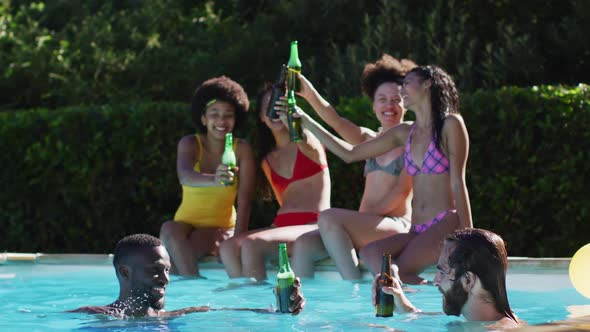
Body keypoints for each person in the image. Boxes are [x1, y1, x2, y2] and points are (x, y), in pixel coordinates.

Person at [279, 65, 472, 284]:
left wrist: (470, 237)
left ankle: (424, 307)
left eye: (407, 84)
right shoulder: (404, 133)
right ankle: (415, 299)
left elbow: (458, 183)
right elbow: (349, 153)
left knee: (395, 270)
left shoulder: (451, 124)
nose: (402, 92)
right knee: (370, 256)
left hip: (445, 222)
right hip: (415, 229)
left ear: (428, 84)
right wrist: (305, 120)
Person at [295, 54, 415, 280]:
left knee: (329, 218)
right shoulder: (369, 139)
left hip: (396, 226)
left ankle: (354, 291)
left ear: (405, 104)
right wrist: (308, 93)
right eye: (382, 99)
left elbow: (401, 193)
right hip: (364, 224)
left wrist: (356, 221)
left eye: (396, 99)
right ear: (373, 105)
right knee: (303, 245)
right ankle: (304, 310)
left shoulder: (411, 141)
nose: (389, 105)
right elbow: (336, 120)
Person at [219, 85, 331, 281]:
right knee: (228, 248)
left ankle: (258, 304)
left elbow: (301, 136)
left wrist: (290, 118)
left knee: (252, 245)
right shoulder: (267, 160)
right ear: (262, 117)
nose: (275, 110)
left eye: (280, 104)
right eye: (269, 106)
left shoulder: (309, 143)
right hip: (282, 227)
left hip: (314, 225)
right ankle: (244, 299)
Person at [69, 234, 305, 317]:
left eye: (167, 270)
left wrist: (283, 308)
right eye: (154, 270)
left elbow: (239, 314)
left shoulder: (173, 317)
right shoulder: (95, 316)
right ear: (124, 272)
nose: (165, 279)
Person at [159, 76, 256, 277]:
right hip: (185, 223)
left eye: (228, 115)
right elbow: (185, 176)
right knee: (168, 228)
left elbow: (245, 202)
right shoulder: (190, 143)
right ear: (203, 118)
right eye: (214, 114)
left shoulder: (242, 150)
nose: (221, 121)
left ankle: (189, 293)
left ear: (236, 118)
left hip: (220, 227)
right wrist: (214, 180)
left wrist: (236, 242)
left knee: (181, 258)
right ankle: (192, 289)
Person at [371, 228, 522, 329]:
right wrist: (405, 308)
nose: (436, 281)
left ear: (468, 281)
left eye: (442, 273)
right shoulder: (485, 322)